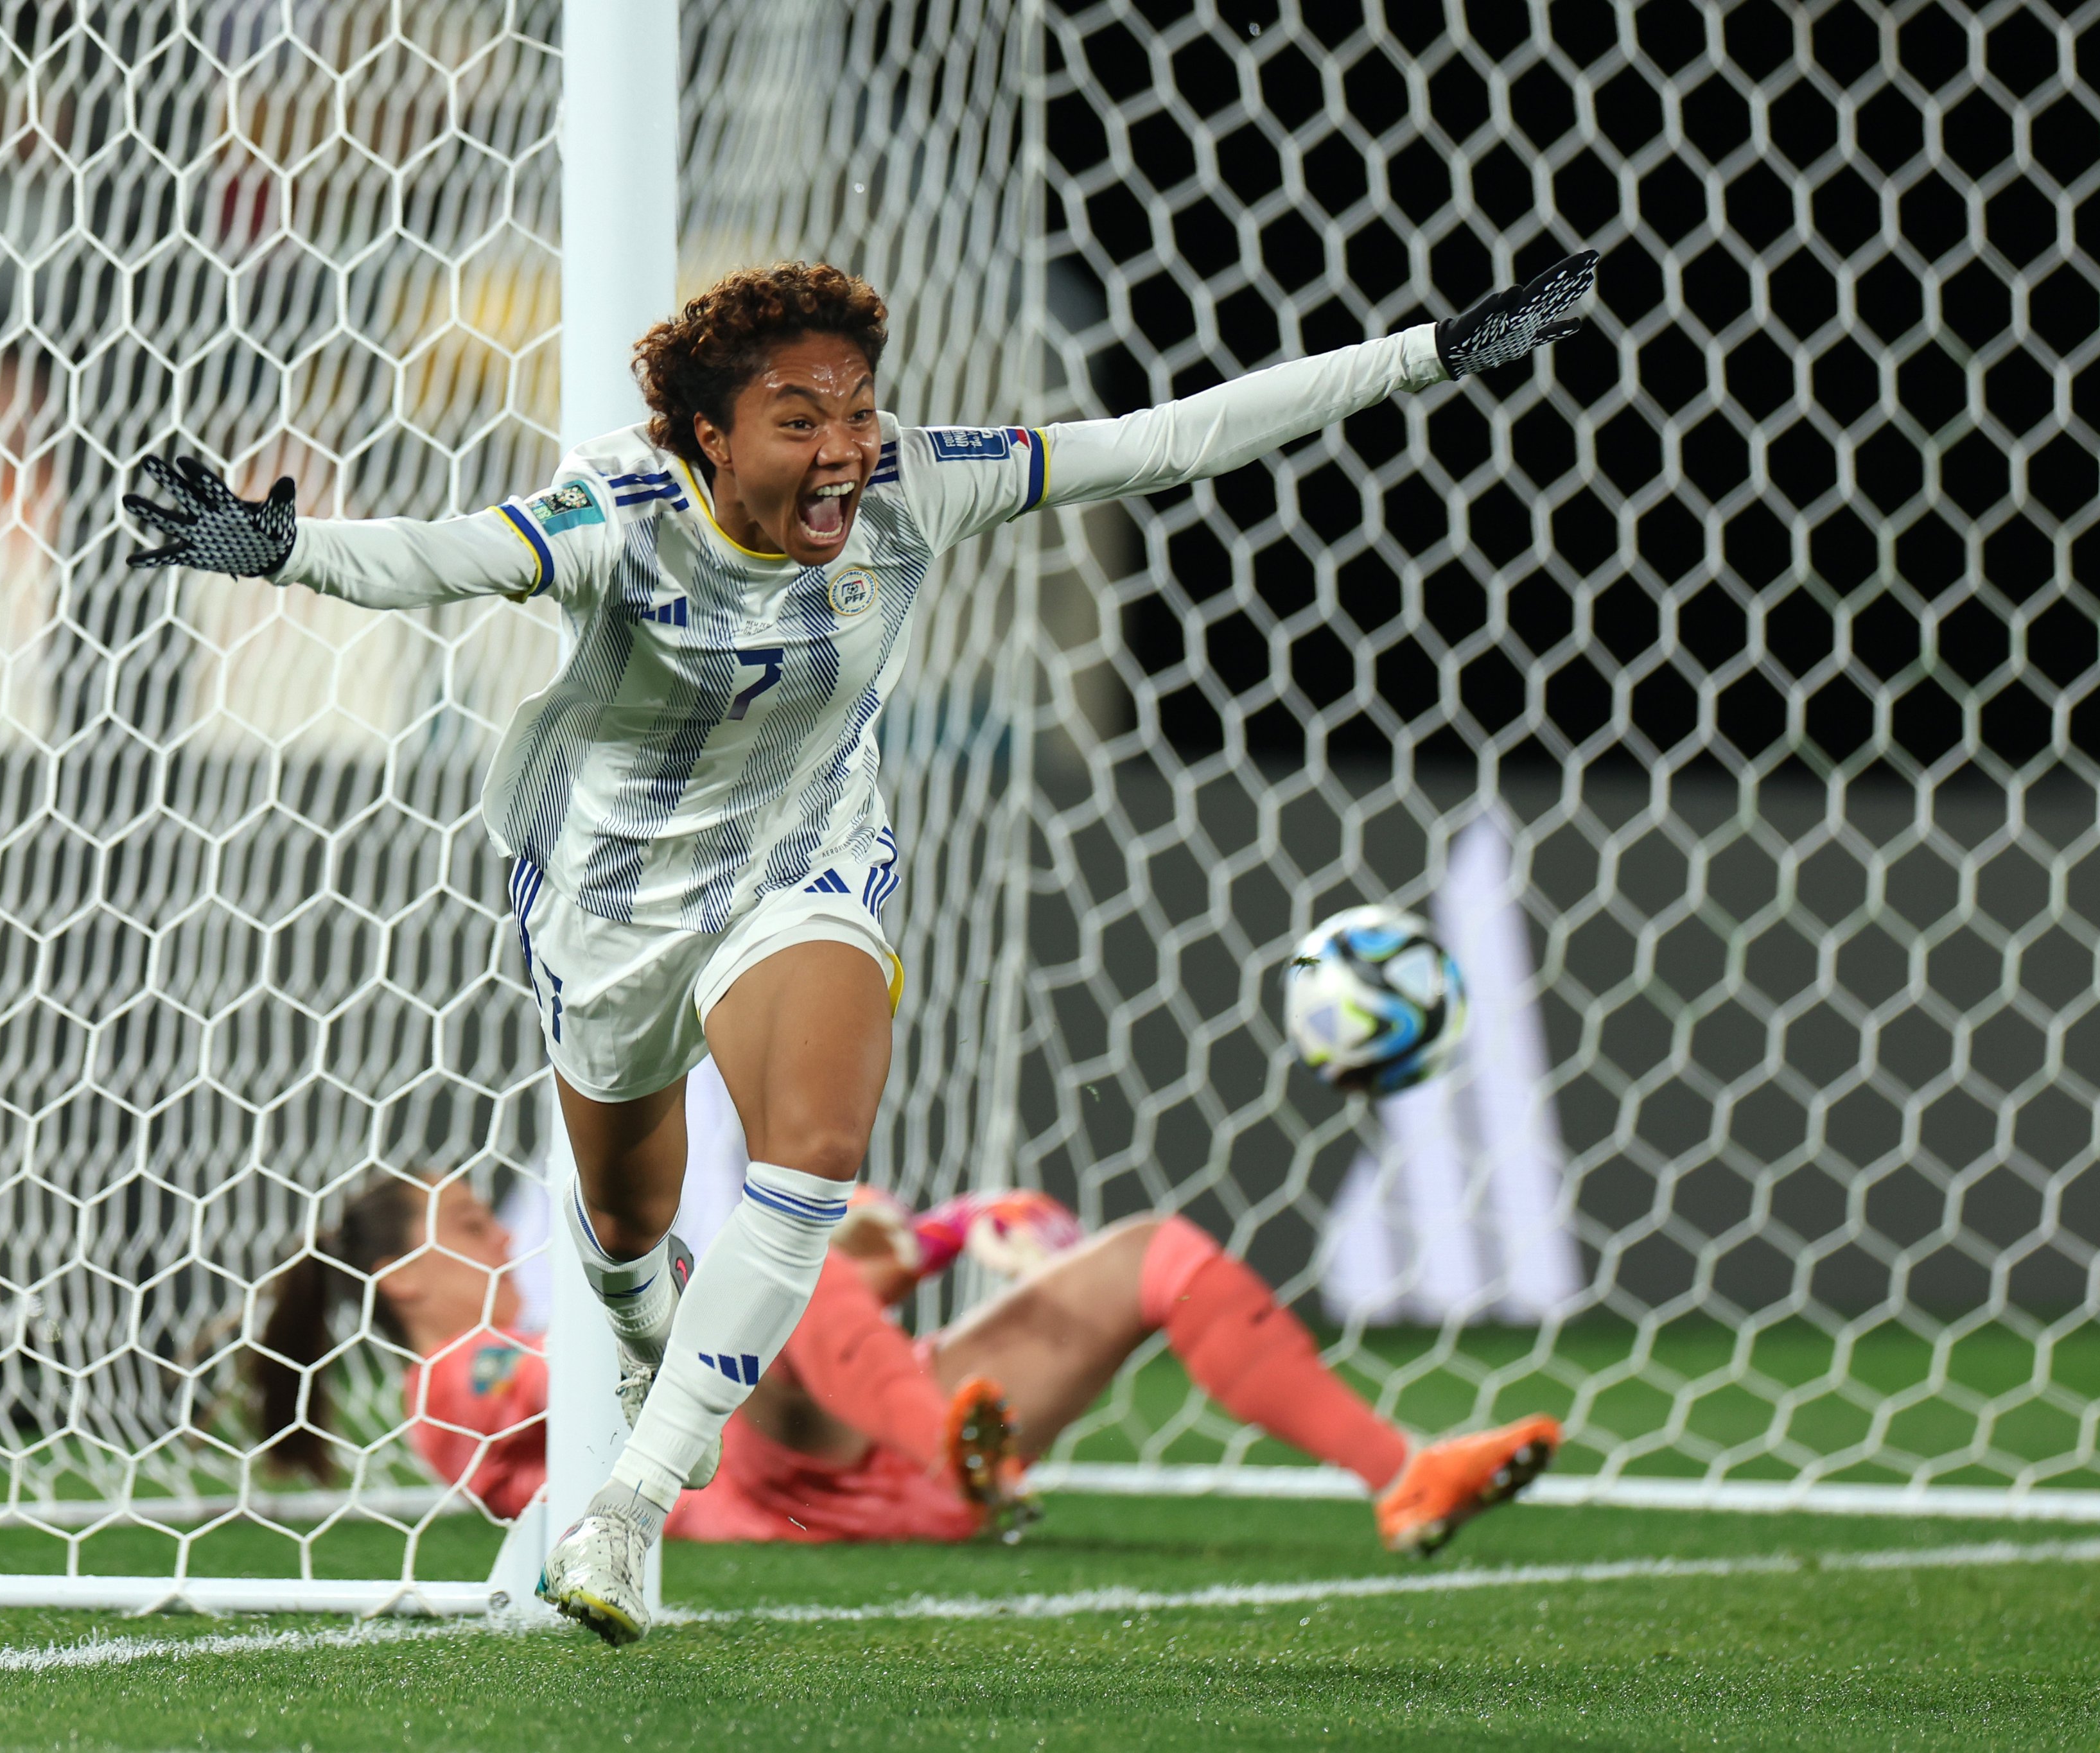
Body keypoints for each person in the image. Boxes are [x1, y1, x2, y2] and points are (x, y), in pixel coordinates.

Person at [128, 252, 1597, 1642]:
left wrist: (1428, 353)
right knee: (625, 1228)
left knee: (815, 1154)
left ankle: (627, 1511)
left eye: (857, 409)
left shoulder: (913, 484)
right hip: (609, 901)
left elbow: (1162, 440)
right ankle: (646, 1345)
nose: (842, 450)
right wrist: (285, 547)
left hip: (803, 863)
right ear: (707, 437)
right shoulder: (616, 516)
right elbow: (439, 556)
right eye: (797, 420)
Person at [241, 1156, 1559, 1562]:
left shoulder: (535, 1327)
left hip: (877, 1443)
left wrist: (942, 1233)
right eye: (470, 1223)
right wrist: (880, 1245)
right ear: (406, 1278)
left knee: (1152, 1254)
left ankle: (1402, 1472)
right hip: (779, 1490)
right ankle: (952, 1441)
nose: (500, 1232)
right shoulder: (451, 1381)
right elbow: (658, 1359)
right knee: (784, 1276)